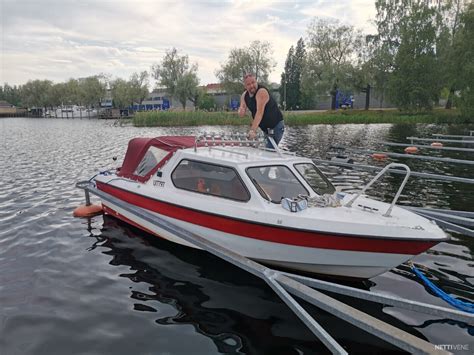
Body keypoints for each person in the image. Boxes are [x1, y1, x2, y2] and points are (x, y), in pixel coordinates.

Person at [238, 73, 284, 148]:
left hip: (276, 126)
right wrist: (241, 111)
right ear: (245, 86)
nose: (252, 86)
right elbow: (241, 108)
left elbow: (259, 113)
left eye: (253, 82)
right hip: (265, 129)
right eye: (248, 84)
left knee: (270, 149)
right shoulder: (244, 96)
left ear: (256, 81)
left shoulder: (261, 92)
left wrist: (253, 130)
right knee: (266, 149)